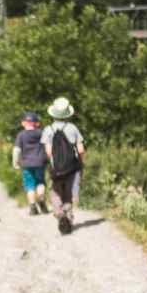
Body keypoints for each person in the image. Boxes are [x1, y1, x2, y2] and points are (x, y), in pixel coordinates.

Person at [41, 97, 86, 235]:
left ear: (53, 113)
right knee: (68, 193)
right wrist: (80, 164)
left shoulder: (48, 129)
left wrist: (54, 164)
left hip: (56, 169)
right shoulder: (73, 128)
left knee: (55, 193)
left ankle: (60, 214)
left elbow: (48, 152)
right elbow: (81, 150)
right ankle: (68, 215)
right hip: (72, 168)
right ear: (68, 114)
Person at [11, 112, 50, 216]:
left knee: (30, 186)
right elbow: (48, 146)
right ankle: (41, 197)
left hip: (26, 164)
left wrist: (15, 162)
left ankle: (33, 208)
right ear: (36, 123)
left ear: (23, 123)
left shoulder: (21, 135)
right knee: (40, 182)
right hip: (40, 163)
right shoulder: (41, 133)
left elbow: (16, 150)